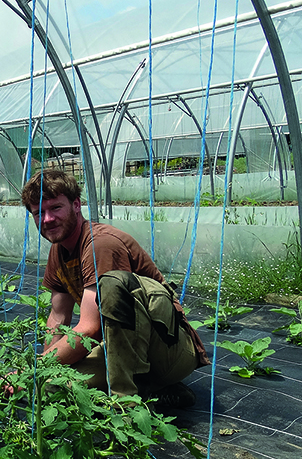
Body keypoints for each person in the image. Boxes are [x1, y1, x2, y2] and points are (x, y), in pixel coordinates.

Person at [18, 169, 209, 407]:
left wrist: (36, 370)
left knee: (55, 385)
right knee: (47, 384)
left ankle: (136, 397)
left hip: (167, 351)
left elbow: (91, 328)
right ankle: (147, 386)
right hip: (125, 346)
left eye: (56, 208)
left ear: (76, 205)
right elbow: (58, 317)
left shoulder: (101, 245)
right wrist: (40, 369)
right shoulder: (59, 249)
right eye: (39, 213)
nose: (47, 219)